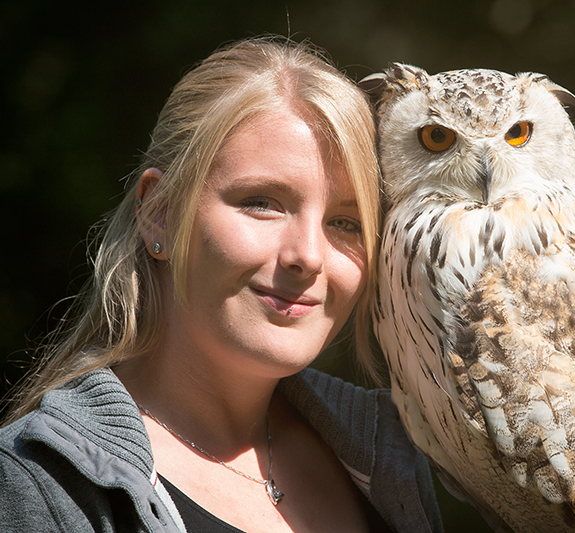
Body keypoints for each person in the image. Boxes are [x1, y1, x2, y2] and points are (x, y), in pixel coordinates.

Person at [0, 36, 443, 533]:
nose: (309, 257)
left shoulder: (390, 459)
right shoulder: (41, 481)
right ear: (160, 213)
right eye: (263, 202)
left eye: (347, 223)